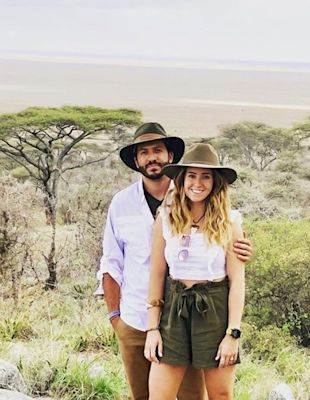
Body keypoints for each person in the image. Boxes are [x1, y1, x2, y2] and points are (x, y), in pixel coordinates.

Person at [97, 123, 252, 400]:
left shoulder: (214, 212)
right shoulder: (126, 205)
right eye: (144, 152)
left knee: (198, 395)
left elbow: (234, 272)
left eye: (157, 150)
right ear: (136, 160)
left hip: (198, 313)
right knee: (144, 394)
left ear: (170, 156)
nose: (151, 157)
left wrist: (233, 332)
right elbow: (111, 262)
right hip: (137, 316)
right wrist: (115, 318)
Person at [144, 143, 245, 400]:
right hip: (174, 309)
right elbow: (157, 274)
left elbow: (237, 282)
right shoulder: (165, 218)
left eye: (206, 176)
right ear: (181, 179)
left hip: (214, 309)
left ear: (215, 182)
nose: (197, 183)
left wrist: (232, 333)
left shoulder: (230, 221)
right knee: (159, 395)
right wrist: (152, 329)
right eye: (191, 175)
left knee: (220, 395)